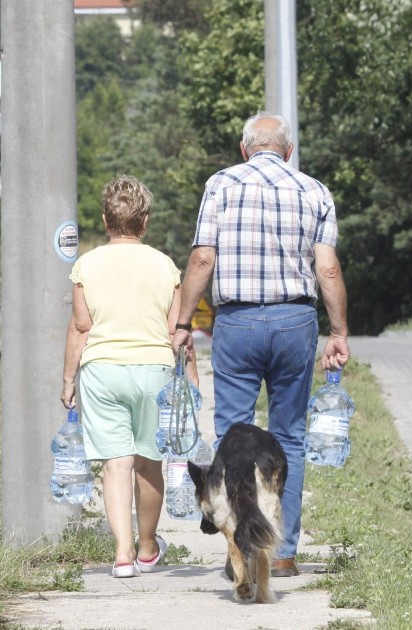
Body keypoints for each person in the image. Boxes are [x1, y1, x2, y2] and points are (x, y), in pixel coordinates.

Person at [172, 111, 350, 578]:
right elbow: (327, 268)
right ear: (288, 151)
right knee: (288, 435)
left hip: (239, 321)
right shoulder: (313, 190)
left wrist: (182, 321)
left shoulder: (221, 185)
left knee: (233, 435)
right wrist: (339, 332)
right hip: (295, 321)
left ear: (244, 148)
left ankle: (240, 551)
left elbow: (203, 257)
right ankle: (284, 551)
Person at [61, 175, 197, 578]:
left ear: (105, 219)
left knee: (115, 464)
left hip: (102, 371)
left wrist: (68, 379)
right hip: (153, 370)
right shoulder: (164, 265)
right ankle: (149, 546)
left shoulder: (87, 264)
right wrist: (190, 380)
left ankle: (122, 554)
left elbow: (80, 328)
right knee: (148, 462)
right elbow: (178, 332)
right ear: (146, 221)